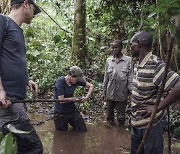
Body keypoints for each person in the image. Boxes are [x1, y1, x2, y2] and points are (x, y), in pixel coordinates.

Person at [0, 0, 43, 153]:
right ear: (25, 4)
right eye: (34, 9)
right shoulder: (2, 21)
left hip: (16, 100)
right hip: (8, 101)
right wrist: (0, 90)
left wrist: (27, 80)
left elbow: (12, 60)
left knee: (15, 148)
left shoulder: (18, 30)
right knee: (34, 148)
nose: (34, 14)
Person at [130, 30, 180, 154]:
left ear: (139, 43)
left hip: (151, 126)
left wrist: (157, 107)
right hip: (136, 124)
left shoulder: (156, 65)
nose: (130, 47)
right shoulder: (138, 63)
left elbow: (179, 85)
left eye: (132, 44)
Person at [54, 66, 94, 132]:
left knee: (82, 130)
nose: (78, 81)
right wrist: (73, 99)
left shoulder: (76, 81)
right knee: (61, 135)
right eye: (77, 79)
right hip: (60, 112)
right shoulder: (60, 81)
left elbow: (91, 86)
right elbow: (61, 100)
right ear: (72, 76)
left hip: (72, 110)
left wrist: (87, 97)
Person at [103, 39, 133, 126]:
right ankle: (110, 135)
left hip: (122, 93)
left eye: (116, 47)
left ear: (121, 48)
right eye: (113, 48)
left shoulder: (128, 60)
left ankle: (120, 133)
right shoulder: (109, 60)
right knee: (109, 116)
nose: (114, 49)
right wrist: (104, 92)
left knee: (121, 117)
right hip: (110, 93)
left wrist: (131, 93)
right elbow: (106, 77)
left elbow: (130, 77)